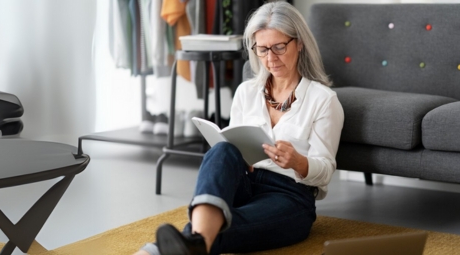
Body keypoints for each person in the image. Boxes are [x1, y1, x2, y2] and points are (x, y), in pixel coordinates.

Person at [135, 1, 344, 254]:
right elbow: (233, 149)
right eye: (262, 49)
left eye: (279, 47)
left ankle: (170, 247)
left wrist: (298, 161)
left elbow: (325, 171)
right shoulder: (246, 92)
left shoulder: (323, 100)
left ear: (299, 43)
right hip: (243, 185)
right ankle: (191, 243)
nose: (270, 58)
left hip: (289, 196)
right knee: (222, 150)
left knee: (220, 227)